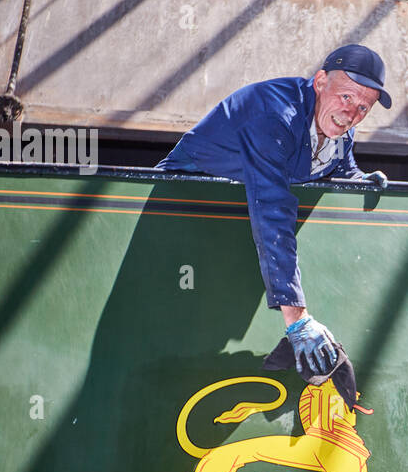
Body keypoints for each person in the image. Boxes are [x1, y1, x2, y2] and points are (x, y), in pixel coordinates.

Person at [157, 44, 391, 375]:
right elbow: (272, 206)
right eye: (347, 98)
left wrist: (359, 182)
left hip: (240, 235)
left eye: (364, 108)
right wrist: (297, 319)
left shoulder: (342, 128)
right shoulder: (273, 113)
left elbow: (337, 168)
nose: (352, 114)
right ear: (320, 81)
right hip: (181, 213)